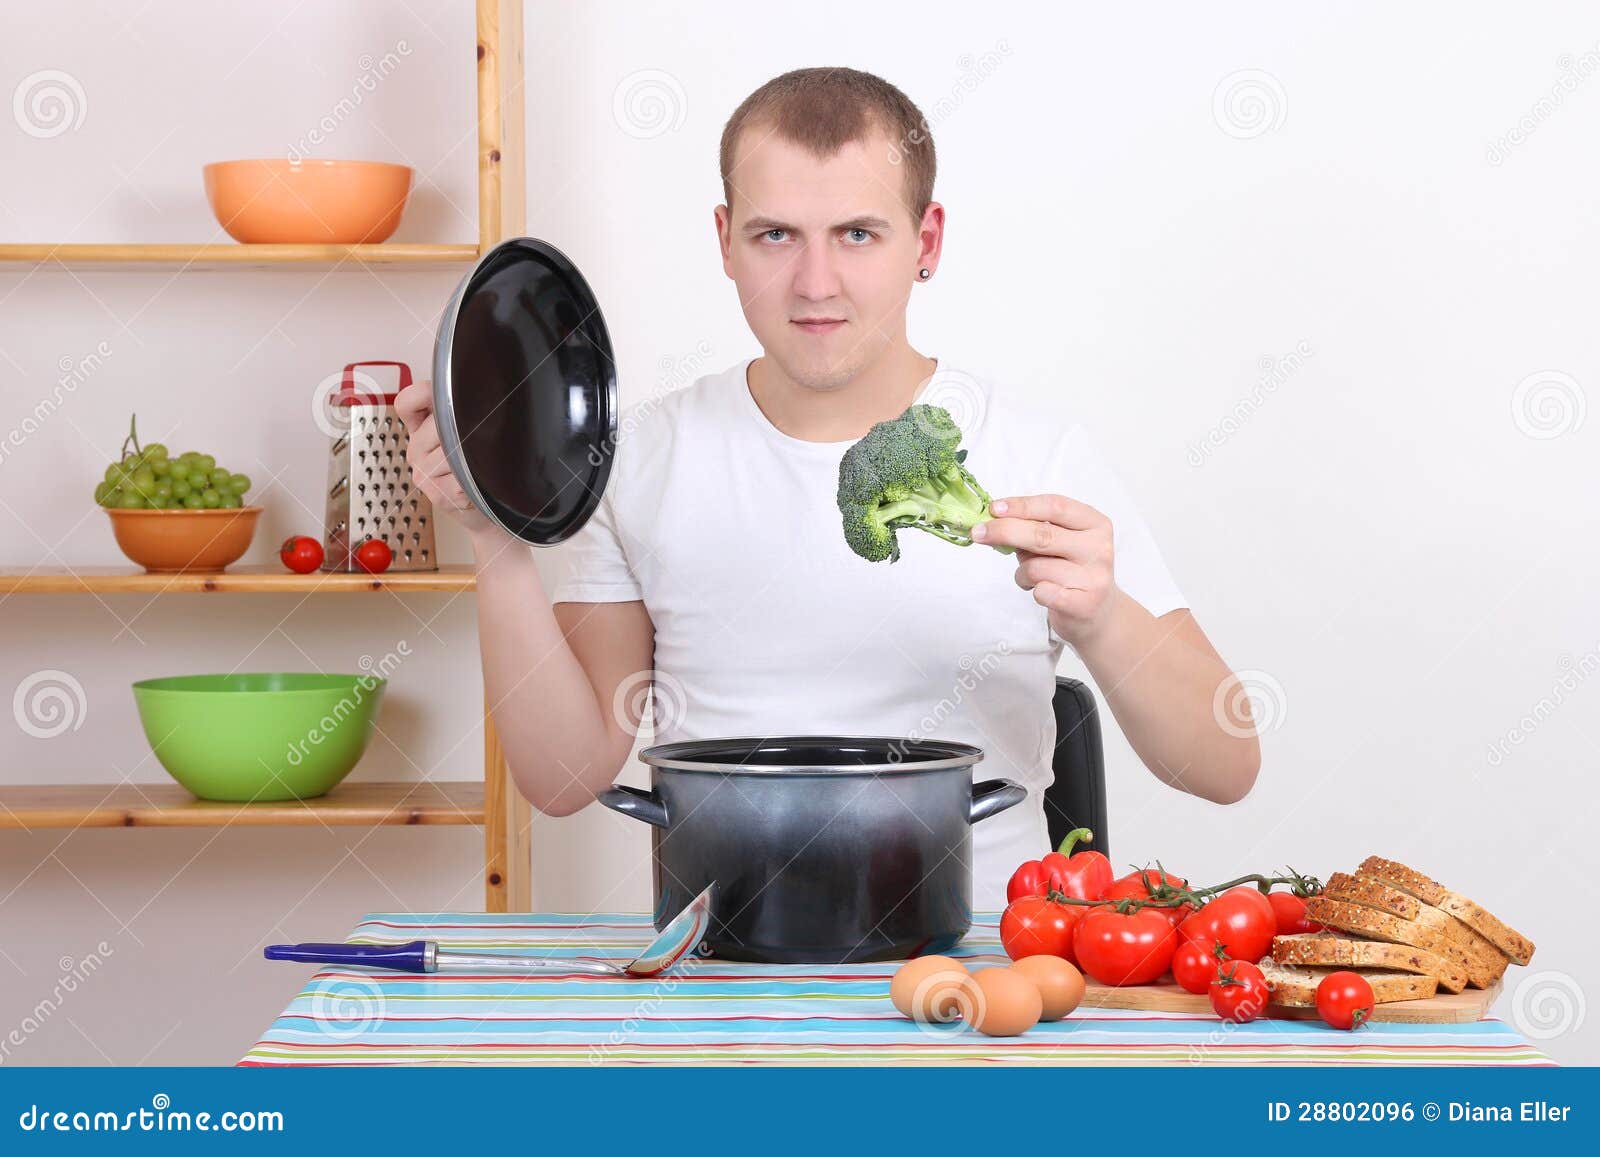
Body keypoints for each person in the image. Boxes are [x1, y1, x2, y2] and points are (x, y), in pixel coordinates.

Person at [397, 67, 1260, 908]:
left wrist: (1105, 619)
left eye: (857, 234)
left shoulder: (1038, 452)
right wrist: (497, 545)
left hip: (993, 965)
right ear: (725, 241)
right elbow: (562, 778)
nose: (814, 284)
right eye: (776, 235)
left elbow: (1226, 767)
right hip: (721, 960)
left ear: (925, 243)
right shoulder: (639, 457)